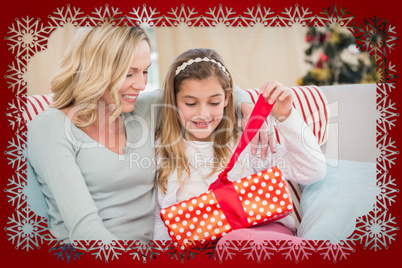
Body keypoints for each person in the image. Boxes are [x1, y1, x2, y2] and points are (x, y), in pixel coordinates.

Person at [27, 24, 264, 244]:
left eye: (145, 71)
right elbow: (83, 227)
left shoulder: (142, 110)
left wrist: (246, 106)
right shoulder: (51, 127)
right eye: (130, 74)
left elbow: (207, 84)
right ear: (96, 70)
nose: (141, 85)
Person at [153, 48, 327, 242]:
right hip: (202, 250)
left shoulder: (247, 141)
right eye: (191, 104)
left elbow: (312, 170)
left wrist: (285, 116)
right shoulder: (161, 149)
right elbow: (158, 218)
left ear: (227, 98)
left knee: (233, 241)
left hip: (263, 238)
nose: (203, 113)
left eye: (214, 103)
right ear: (174, 101)